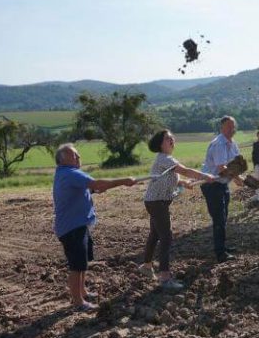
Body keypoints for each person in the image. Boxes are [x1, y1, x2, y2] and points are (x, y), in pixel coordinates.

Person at [52, 143, 137, 311]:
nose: (78, 157)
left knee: (82, 263)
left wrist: (93, 191)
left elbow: (83, 190)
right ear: (62, 160)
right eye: (73, 155)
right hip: (72, 227)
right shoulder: (71, 173)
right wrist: (124, 181)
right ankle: (78, 302)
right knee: (76, 266)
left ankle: (82, 292)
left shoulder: (65, 174)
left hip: (78, 225)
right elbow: (96, 183)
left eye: (78, 154)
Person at [139, 130, 216, 291]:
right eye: (168, 138)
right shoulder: (164, 158)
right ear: (161, 144)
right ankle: (165, 277)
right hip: (157, 203)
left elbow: (175, 177)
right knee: (166, 237)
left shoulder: (165, 160)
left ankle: (146, 266)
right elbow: (185, 170)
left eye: (172, 138)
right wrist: (204, 175)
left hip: (156, 202)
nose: (171, 140)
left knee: (155, 234)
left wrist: (183, 183)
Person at [201, 116, 242, 262]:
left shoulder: (233, 143)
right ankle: (220, 253)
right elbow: (222, 167)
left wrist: (242, 176)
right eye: (228, 126)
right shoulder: (219, 144)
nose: (232, 129)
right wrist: (238, 179)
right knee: (219, 219)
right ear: (222, 128)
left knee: (223, 217)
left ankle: (223, 246)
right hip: (211, 184)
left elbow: (237, 163)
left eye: (233, 126)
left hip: (222, 183)